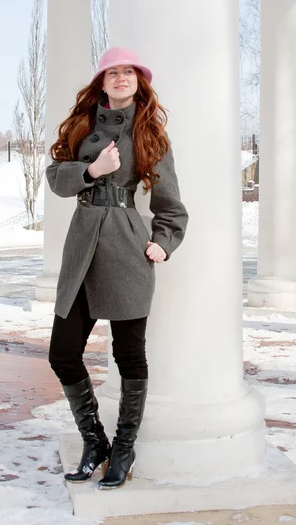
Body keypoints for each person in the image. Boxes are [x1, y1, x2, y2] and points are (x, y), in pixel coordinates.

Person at [46, 47, 188, 490]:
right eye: (113, 72)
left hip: (127, 246)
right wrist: (91, 170)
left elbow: (171, 209)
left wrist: (163, 244)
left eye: (129, 71)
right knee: (62, 352)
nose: (121, 77)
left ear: (138, 81)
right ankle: (96, 443)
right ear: (102, 82)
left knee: (129, 355)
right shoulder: (82, 125)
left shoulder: (151, 135)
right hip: (83, 244)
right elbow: (55, 177)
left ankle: (124, 448)